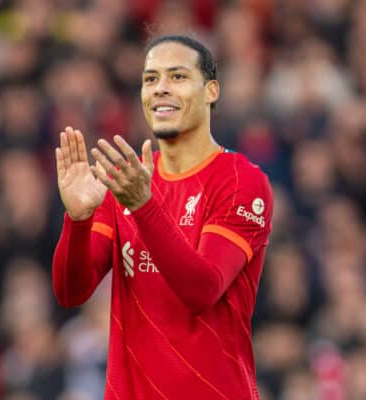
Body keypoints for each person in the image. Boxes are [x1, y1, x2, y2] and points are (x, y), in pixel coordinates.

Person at [52, 34, 274, 399]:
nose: (161, 89)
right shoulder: (129, 179)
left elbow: (203, 289)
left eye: (178, 77)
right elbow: (70, 292)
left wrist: (143, 206)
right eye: (151, 79)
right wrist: (78, 220)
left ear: (211, 91)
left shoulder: (241, 181)